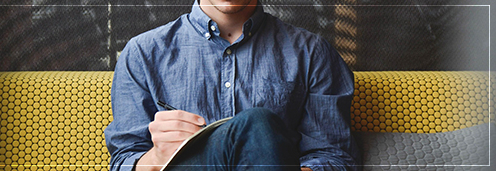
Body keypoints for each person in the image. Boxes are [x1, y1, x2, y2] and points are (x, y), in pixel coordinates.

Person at [104, 0, 361, 170]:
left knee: (258, 124)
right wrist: (157, 157)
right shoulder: (142, 53)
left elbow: (333, 158)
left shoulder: (312, 53)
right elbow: (124, 160)